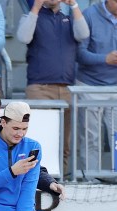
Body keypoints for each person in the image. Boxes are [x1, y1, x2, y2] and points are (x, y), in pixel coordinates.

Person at [76, 0, 117, 174]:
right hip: (90, 86)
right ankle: (90, 180)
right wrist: (104, 59)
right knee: (91, 139)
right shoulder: (89, 14)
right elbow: (79, 54)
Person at [18, 0, 87, 169]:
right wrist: (36, 6)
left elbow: (83, 34)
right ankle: (37, 180)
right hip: (39, 89)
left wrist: (74, 5)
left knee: (64, 142)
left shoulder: (69, 18)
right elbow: (24, 36)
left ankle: (60, 181)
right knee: (38, 140)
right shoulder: (31, 16)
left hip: (66, 89)